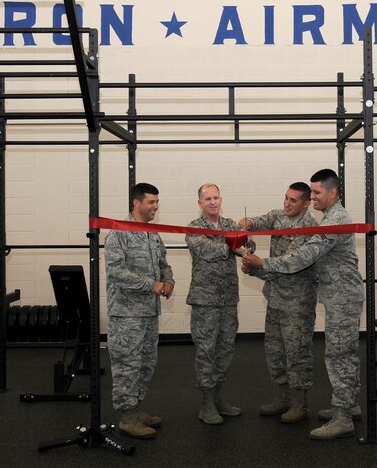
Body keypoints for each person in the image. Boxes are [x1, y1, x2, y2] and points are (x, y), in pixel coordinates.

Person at [242, 168, 364, 440]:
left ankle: (343, 417)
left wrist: (262, 263)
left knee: (339, 355)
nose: (314, 196)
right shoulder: (328, 217)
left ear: (331, 193)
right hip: (335, 294)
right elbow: (269, 219)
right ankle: (348, 405)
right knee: (340, 353)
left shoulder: (335, 219)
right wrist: (249, 223)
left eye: (317, 192)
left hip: (341, 295)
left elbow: (304, 257)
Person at [238, 182, 318, 423]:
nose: (286, 203)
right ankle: (283, 396)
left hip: (297, 302)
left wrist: (256, 267)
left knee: (297, 353)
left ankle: (299, 403)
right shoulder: (280, 216)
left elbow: (289, 262)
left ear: (306, 204)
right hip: (275, 298)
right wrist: (247, 223)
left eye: (293, 201)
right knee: (275, 351)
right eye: (285, 198)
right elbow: (262, 219)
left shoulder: (309, 228)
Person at [104, 182, 174, 439]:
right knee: (127, 365)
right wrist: (151, 284)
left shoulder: (152, 233)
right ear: (136, 203)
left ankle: (136, 408)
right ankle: (127, 417)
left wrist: (168, 281)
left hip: (149, 312)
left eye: (157, 202)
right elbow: (115, 271)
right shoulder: (117, 233)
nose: (156, 206)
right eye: (151, 202)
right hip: (126, 314)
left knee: (146, 364)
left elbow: (163, 262)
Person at [186, 183, 244, 425]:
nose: (212, 202)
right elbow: (206, 251)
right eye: (207, 198)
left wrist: (245, 245)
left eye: (216, 197)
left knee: (225, 350)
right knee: (206, 351)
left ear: (221, 200)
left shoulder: (231, 225)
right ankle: (206, 404)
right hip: (205, 300)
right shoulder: (193, 228)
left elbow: (245, 245)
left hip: (228, 299)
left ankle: (218, 398)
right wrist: (233, 246)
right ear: (200, 203)